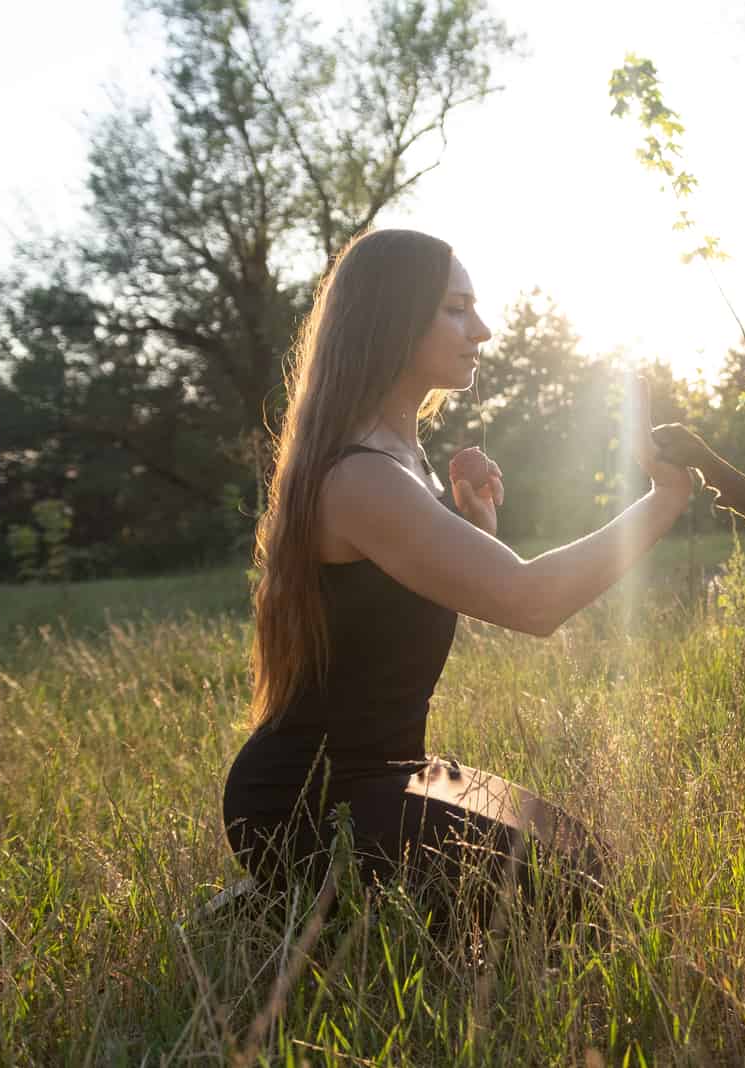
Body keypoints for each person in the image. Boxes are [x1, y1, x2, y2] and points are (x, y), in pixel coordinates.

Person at [222, 228, 692, 926]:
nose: (483, 328)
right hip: (310, 799)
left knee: (584, 864)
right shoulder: (361, 476)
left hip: (393, 776)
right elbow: (534, 603)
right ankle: (290, 903)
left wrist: (473, 532)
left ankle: (291, 908)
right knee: (569, 907)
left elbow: (397, 617)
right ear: (392, 317)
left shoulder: (401, 461)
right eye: (455, 309)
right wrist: (665, 501)